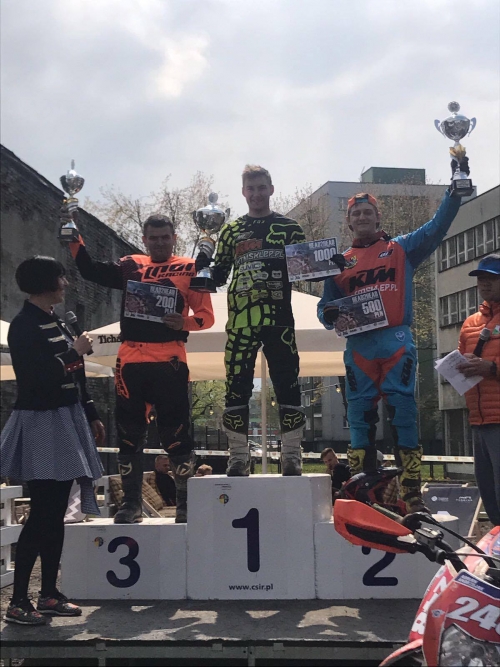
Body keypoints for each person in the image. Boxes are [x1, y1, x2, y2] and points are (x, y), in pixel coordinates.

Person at [318, 158, 467, 513]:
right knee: (359, 419)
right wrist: (330, 314)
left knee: (403, 412)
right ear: (349, 221)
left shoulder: (400, 248)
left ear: (378, 217)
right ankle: (363, 493)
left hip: (395, 341)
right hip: (358, 347)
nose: (362, 217)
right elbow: (325, 309)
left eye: (367, 212)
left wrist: (453, 193)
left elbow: (436, 228)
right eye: (356, 213)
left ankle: (412, 494)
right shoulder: (339, 263)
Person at [65, 209, 215, 523]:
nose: (159, 243)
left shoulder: (190, 268)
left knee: (176, 433)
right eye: (153, 238)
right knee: (128, 435)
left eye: (165, 238)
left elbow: (206, 317)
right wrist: (74, 239)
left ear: (174, 238)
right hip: (130, 361)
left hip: (170, 361)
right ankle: (131, 505)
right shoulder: (130, 265)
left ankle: (185, 504)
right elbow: (90, 271)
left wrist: (184, 322)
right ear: (144, 239)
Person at [0, 256, 105, 625]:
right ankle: (18, 601)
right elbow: (37, 377)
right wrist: (73, 352)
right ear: (46, 282)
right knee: (43, 512)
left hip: (67, 416)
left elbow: (77, 376)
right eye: (61, 277)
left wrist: (91, 412)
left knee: (56, 511)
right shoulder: (24, 325)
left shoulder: (58, 320)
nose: (66, 283)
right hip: (41, 420)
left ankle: (48, 594)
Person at [196, 165, 307, 476]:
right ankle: (238, 457)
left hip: (279, 320)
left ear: (271, 189)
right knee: (236, 388)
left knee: (288, 385)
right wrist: (202, 264)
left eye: (261, 187)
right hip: (240, 321)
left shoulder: (290, 228)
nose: (256, 194)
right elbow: (218, 275)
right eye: (251, 188)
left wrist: (330, 264)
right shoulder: (231, 231)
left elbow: (305, 271)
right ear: (243, 192)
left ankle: (291, 455)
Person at [457, 254, 500, 526]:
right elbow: (461, 359)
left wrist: (491, 368)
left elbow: (487, 367)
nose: (484, 283)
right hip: (478, 421)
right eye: (481, 278)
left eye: (491, 278)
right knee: (489, 492)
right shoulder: (470, 323)